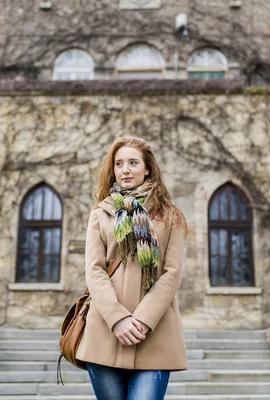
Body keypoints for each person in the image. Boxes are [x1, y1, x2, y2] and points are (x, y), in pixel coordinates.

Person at [76, 136, 188, 400]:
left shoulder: (170, 215)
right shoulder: (100, 214)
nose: (125, 169)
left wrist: (141, 321)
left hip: (154, 332)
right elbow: (95, 270)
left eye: (133, 162)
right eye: (119, 164)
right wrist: (118, 319)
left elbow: (172, 273)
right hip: (105, 329)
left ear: (147, 168)